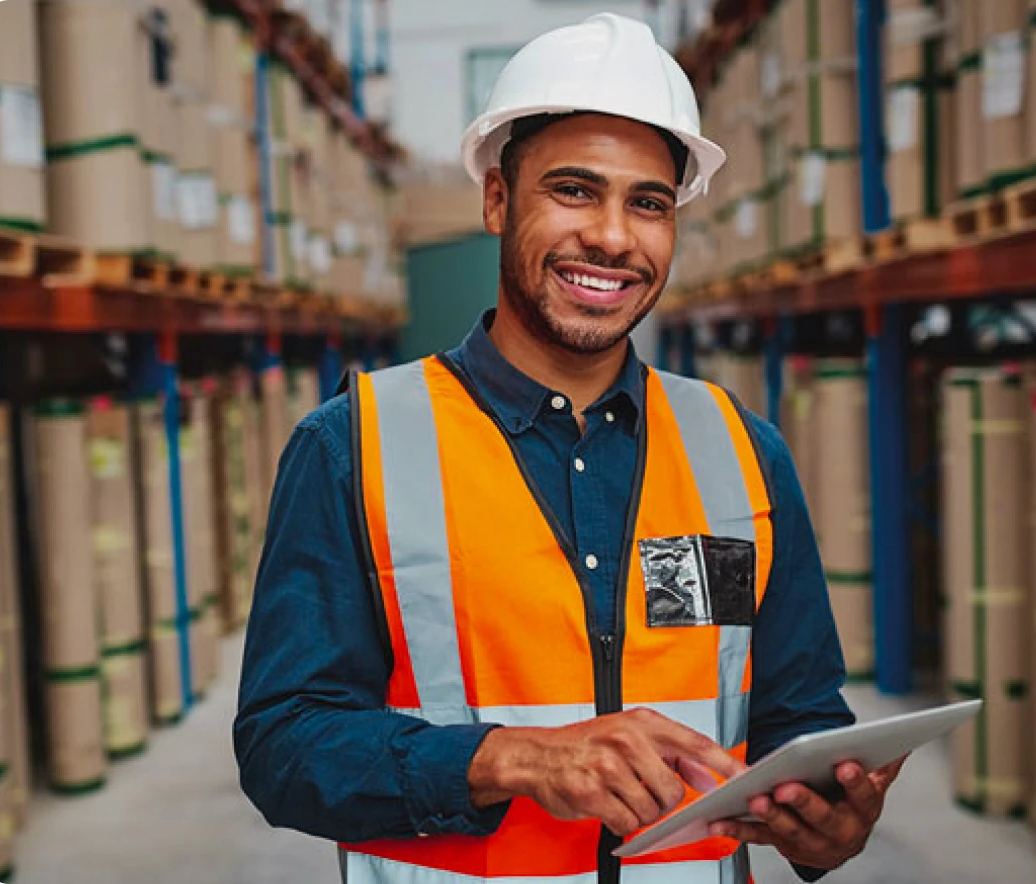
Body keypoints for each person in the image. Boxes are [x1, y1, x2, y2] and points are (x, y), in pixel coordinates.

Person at [235, 13, 904, 884]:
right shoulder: (354, 446)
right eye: (575, 190)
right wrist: (511, 760)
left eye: (649, 204)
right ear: (497, 201)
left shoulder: (740, 452)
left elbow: (795, 710)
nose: (615, 238)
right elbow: (284, 748)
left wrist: (826, 812)